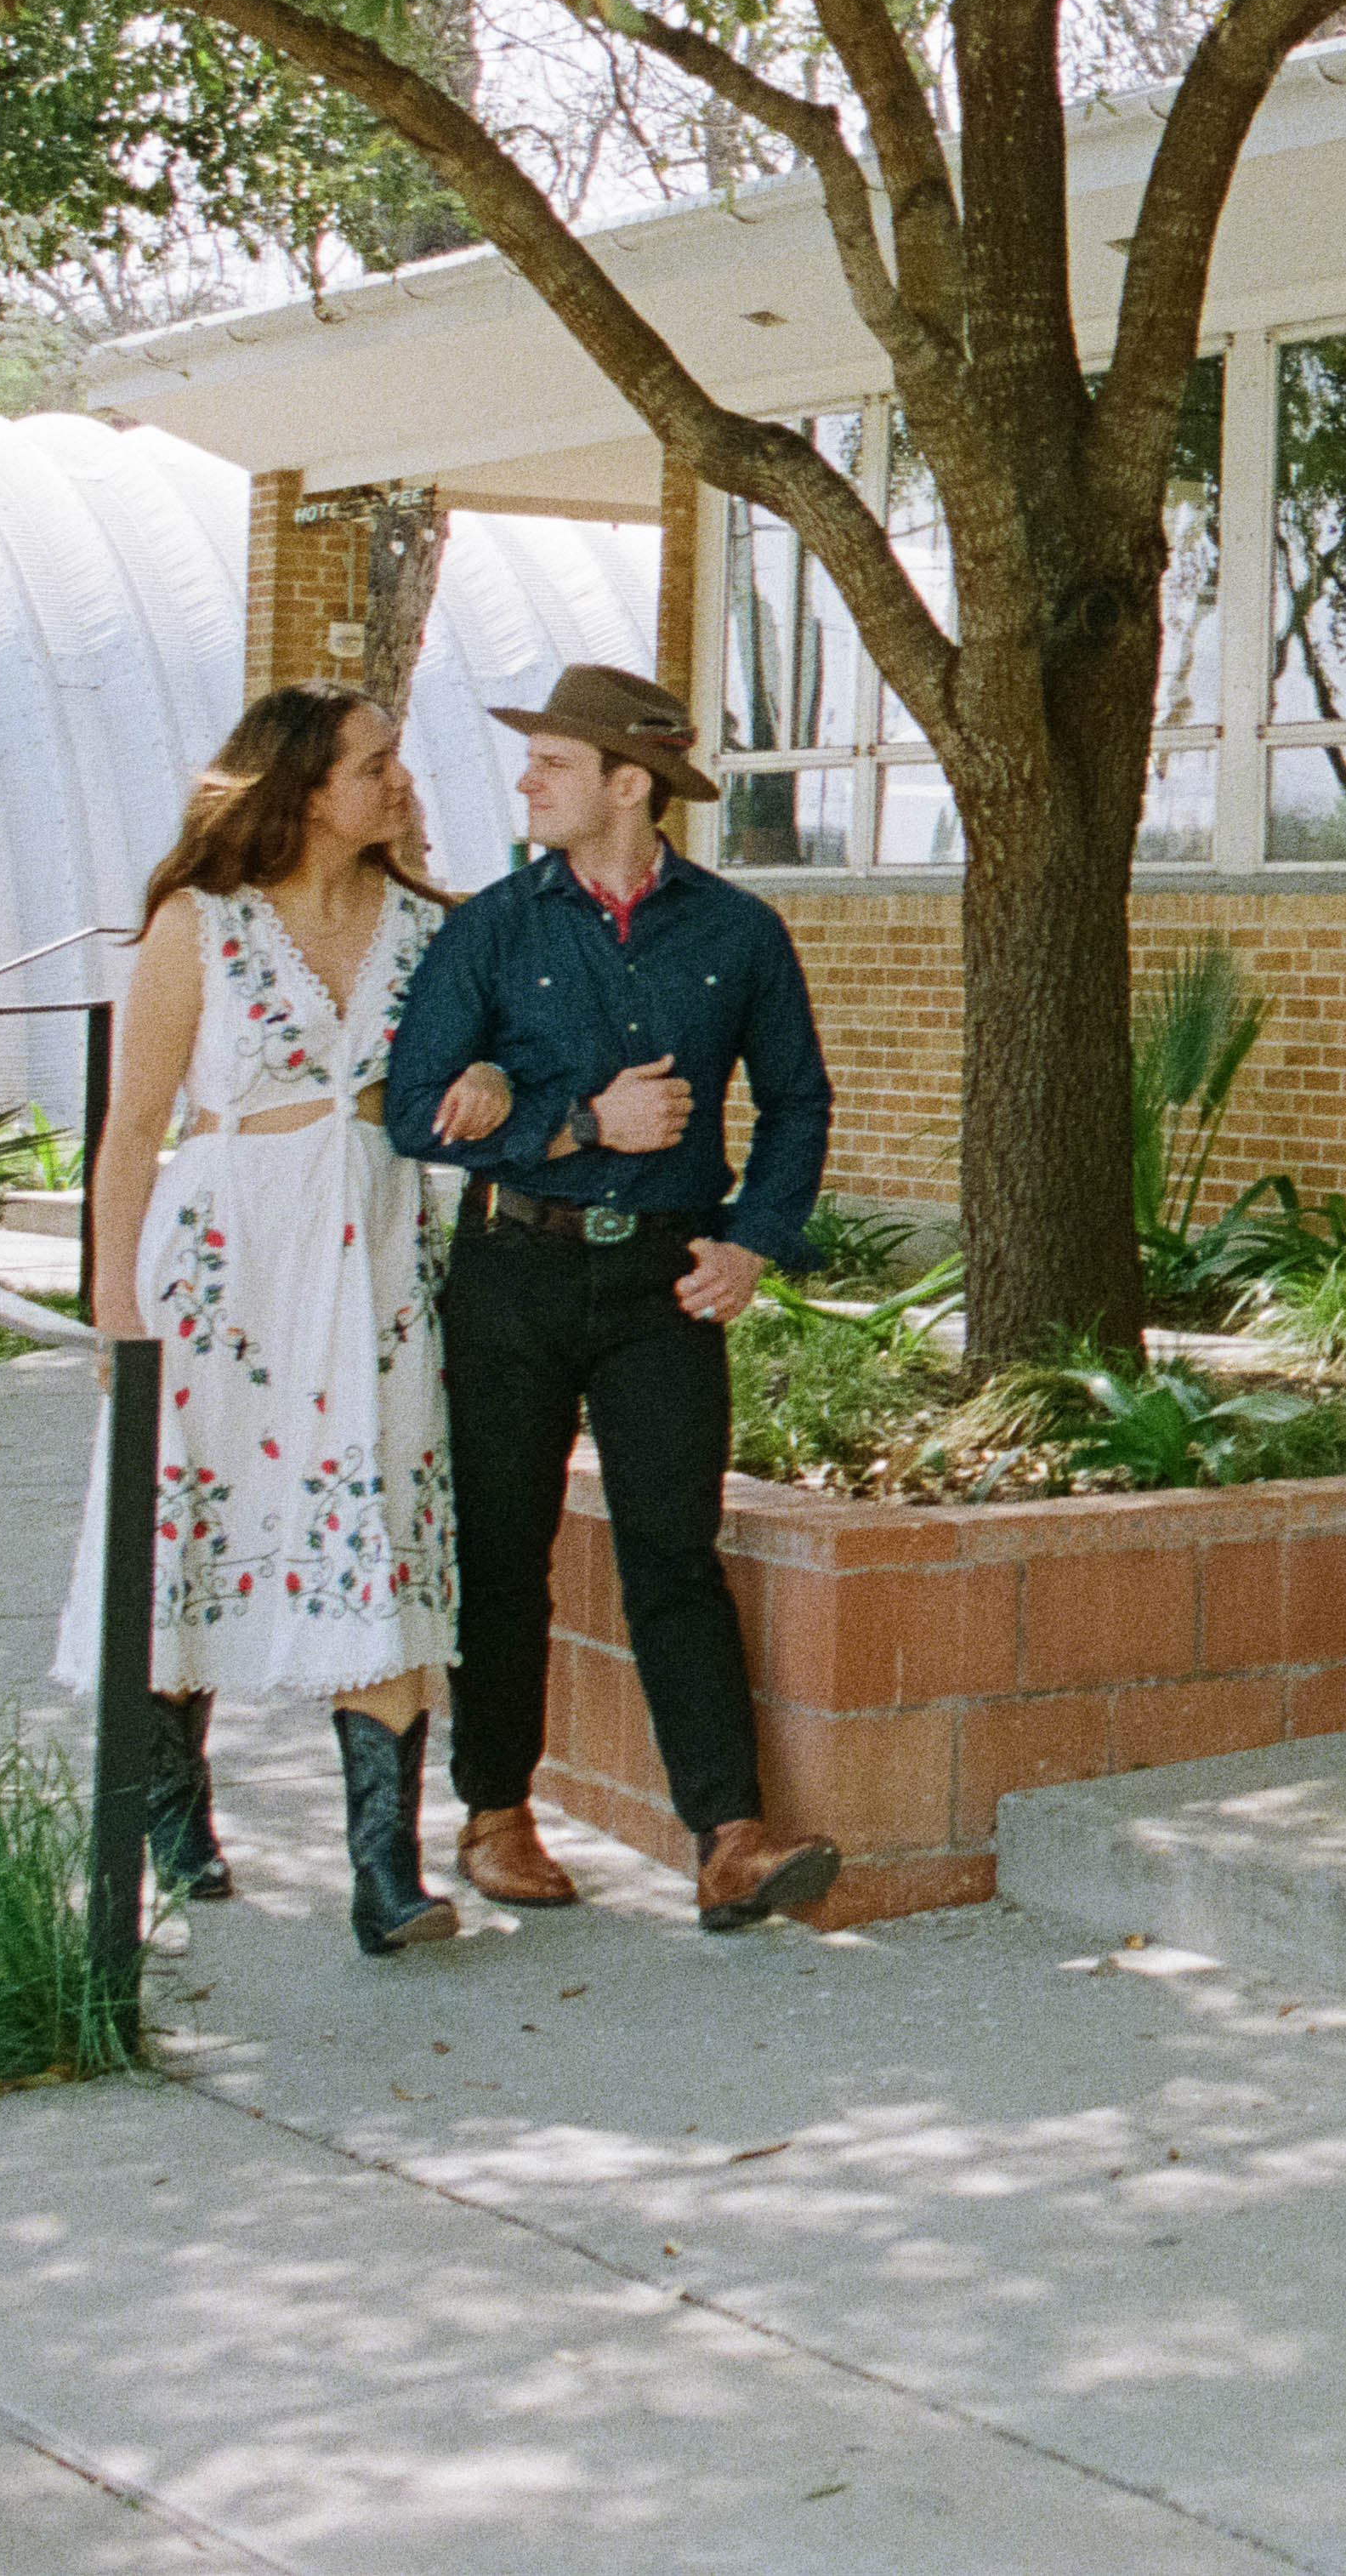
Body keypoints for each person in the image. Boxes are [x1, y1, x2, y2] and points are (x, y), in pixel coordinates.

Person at [384, 662, 843, 1933]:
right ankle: (494, 1815)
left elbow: (797, 1099)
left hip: (664, 1283)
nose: (526, 780)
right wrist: (579, 1122)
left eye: (553, 762)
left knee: (673, 1555)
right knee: (500, 1549)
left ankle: (729, 1840)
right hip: (513, 1274)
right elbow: (413, 1110)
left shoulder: (739, 931)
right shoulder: (492, 925)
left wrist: (754, 1239)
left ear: (628, 784)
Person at [61, 683, 507, 1956]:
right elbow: (130, 1133)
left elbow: (493, 1062)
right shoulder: (196, 926)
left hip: (373, 1264)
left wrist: (486, 1073)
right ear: (306, 788)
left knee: (373, 1528)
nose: (399, 781)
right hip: (220, 1265)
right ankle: (172, 1812)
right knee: (187, 1522)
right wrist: (116, 1316)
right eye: (375, 764)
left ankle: (385, 1874)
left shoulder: (435, 928)